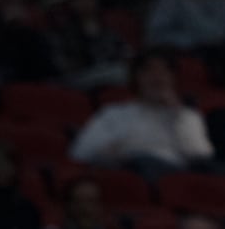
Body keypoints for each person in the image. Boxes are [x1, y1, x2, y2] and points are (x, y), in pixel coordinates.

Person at [68, 48, 215, 178]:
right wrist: (117, 150)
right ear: (136, 77)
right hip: (131, 175)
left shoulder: (187, 116)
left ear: (173, 78)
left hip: (177, 176)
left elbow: (200, 155)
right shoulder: (114, 114)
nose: (157, 77)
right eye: (149, 70)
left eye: (164, 71)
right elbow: (81, 152)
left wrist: (177, 115)